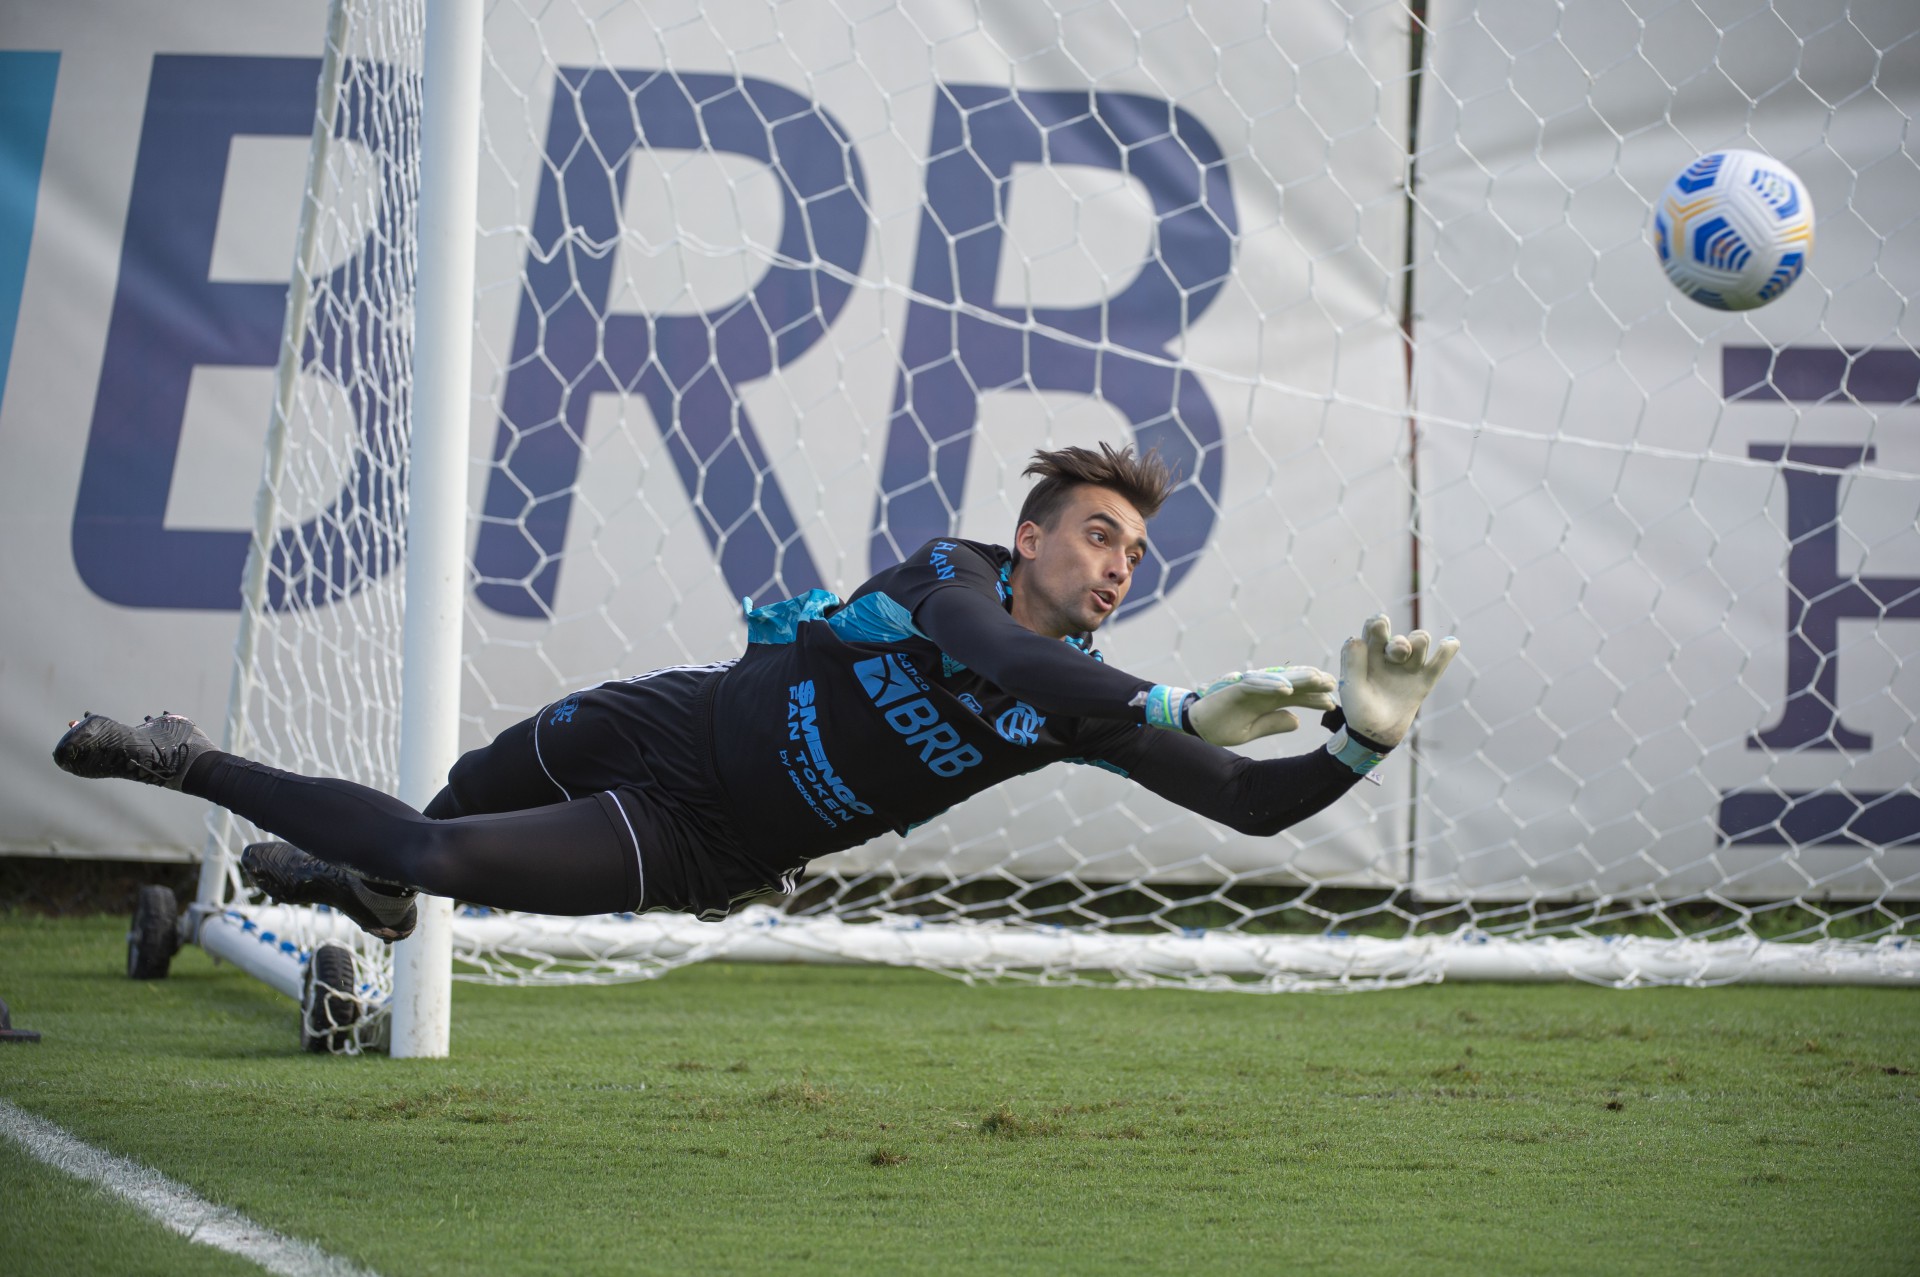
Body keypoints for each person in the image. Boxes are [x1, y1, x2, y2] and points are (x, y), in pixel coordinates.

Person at [53, 443, 1459, 942]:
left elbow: (1256, 806)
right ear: (1030, 534)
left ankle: (185, 763)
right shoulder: (945, 577)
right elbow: (1001, 655)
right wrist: (1161, 702)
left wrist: (1361, 742)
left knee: (431, 849)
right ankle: (369, 897)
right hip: (676, 715)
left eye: (1136, 555)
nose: (1117, 566)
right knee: (461, 789)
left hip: (709, 835)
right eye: (1099, 534)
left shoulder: (1086, 700)